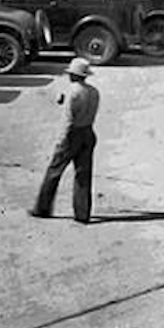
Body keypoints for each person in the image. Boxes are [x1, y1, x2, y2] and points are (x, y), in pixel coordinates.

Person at [31, 57, 100, 224]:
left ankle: (42, 208)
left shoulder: (72, 92)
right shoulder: (94, 91)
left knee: (54, 170)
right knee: (83, 174)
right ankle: (82, 213)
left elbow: (68, 119)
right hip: (88, 131)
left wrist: (61, 139)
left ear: (74, 75)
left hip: (72, 134)